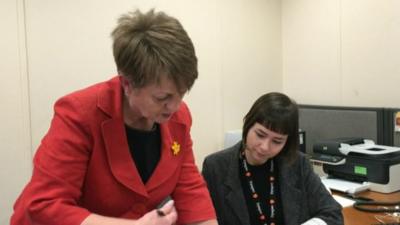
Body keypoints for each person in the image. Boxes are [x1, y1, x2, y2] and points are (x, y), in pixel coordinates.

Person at [11, 9, 217, 225]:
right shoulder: (79, 113)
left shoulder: (179, 118)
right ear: (127, 84)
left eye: (182, 93)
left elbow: (190, 192)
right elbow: (45, 205)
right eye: (162, 97)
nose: (174, 106)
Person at [202, 92, 343, 225]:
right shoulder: (215, 167)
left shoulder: (297, 163)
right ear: (248, 125)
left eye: (277, 141)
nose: (264, 147)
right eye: (260, 134)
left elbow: (333, 214)